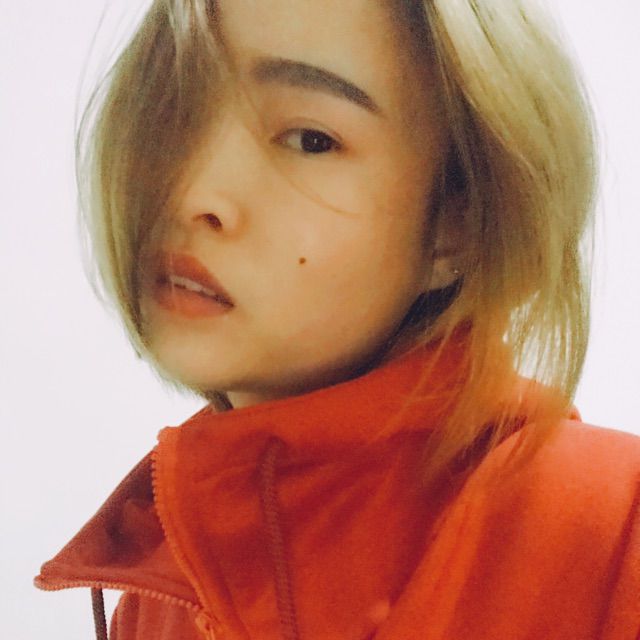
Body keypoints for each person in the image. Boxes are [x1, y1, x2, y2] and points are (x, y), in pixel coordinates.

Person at [34, 0, 640, 638]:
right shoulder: (164, 595)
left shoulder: (615, 533)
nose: (190, 192)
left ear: (457, 222)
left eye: (310, 141)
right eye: (174, 110)